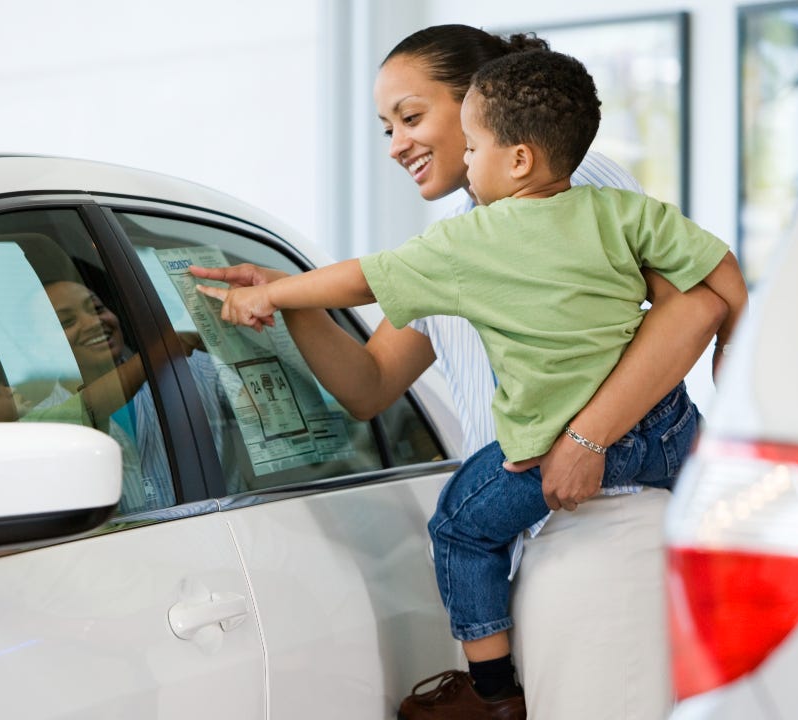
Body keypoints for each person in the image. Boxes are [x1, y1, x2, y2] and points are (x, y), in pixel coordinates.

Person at [190, 24, 726, 720]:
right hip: (541, 524)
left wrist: (586, 439)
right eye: (386, 127)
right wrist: (292, 299)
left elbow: (689, 309)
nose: (396, 145)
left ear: (483, 108)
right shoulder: (463, 237)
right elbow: (370, 384)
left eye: (412, 117)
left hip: (607, 516)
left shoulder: (565, 186)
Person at [31, 279, 244, 512]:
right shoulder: (44, 427)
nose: (94, 322)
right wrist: (163, 350)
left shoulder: (195, 366)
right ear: (39, 349)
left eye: (97, 308)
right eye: (66, 322)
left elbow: (269, 416)